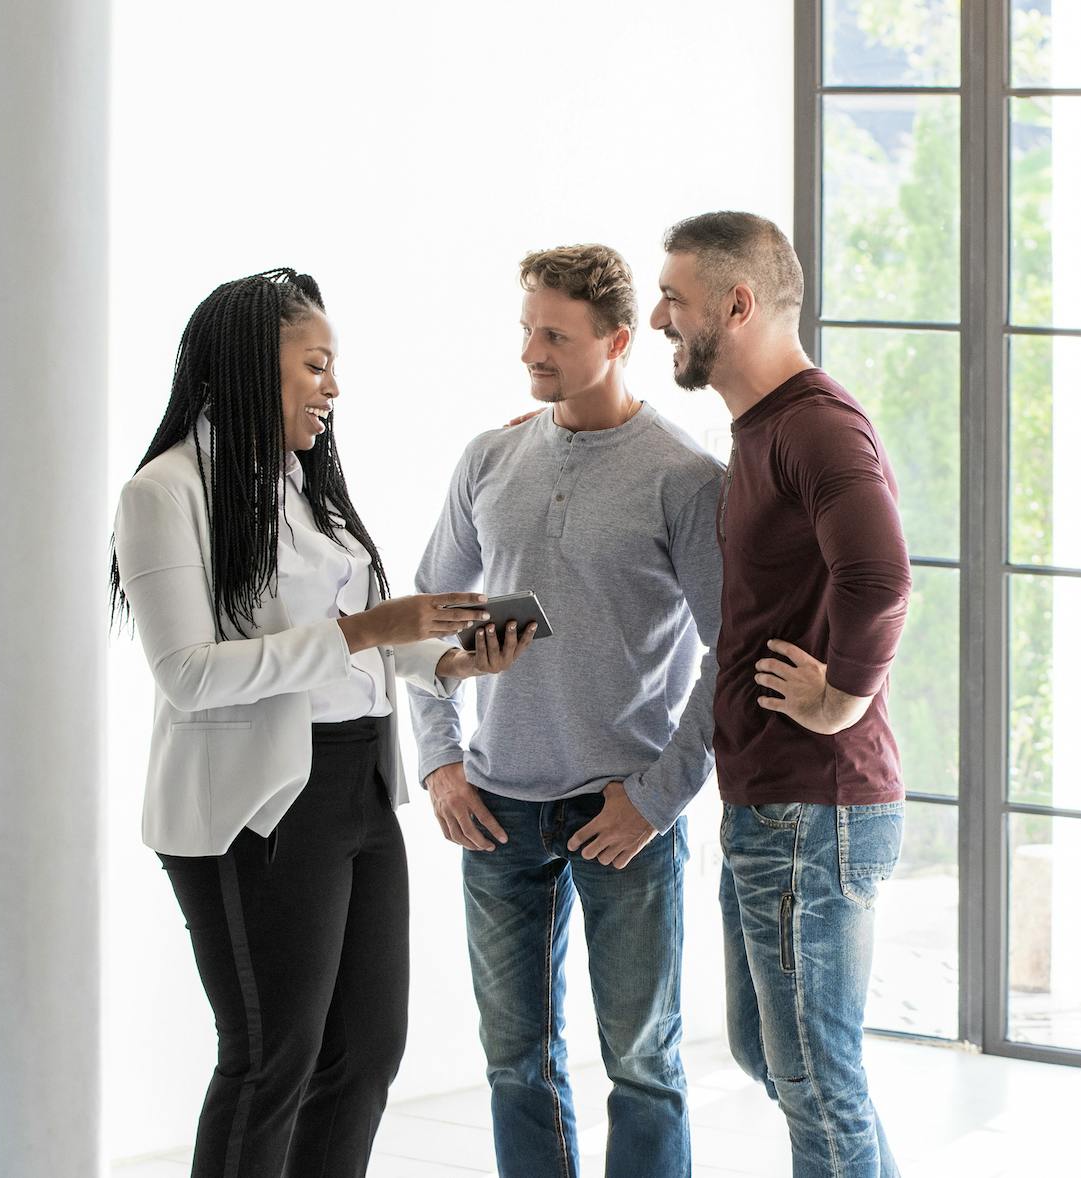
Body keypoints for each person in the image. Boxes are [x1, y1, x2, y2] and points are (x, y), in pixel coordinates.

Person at [110, 268, 533, 1178]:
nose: (333, 387)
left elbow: (372, 645)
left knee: (366, 1053)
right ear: (249, 370)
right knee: (271, 1060)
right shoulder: (165, 492)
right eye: (315, 365)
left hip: (358, 787)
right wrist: (362, 632)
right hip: (254, 809)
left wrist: (453, 658)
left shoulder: (307, 486)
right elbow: (186, 675)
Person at [409, 244, 723, 1178]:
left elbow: (727, 651)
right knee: (516, 1065)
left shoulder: (684, 476)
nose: (531, 353)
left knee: (643, 1064)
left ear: (618, 339)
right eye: (527, 330)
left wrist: (658, 798)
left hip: (619, 814)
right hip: (494, 812)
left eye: (555, 334)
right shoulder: (490, 456)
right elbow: (421, 618)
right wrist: (439, 758)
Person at [651, 212, 911, 1177]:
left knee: (815, 1079)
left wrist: (842, 696)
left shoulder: (814, 423)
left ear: (738, 302)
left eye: (675, 297)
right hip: (771, 803)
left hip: (817, 804)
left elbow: (880, 574)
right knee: (780, 1060)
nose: (661, 314)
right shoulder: (761, 431)